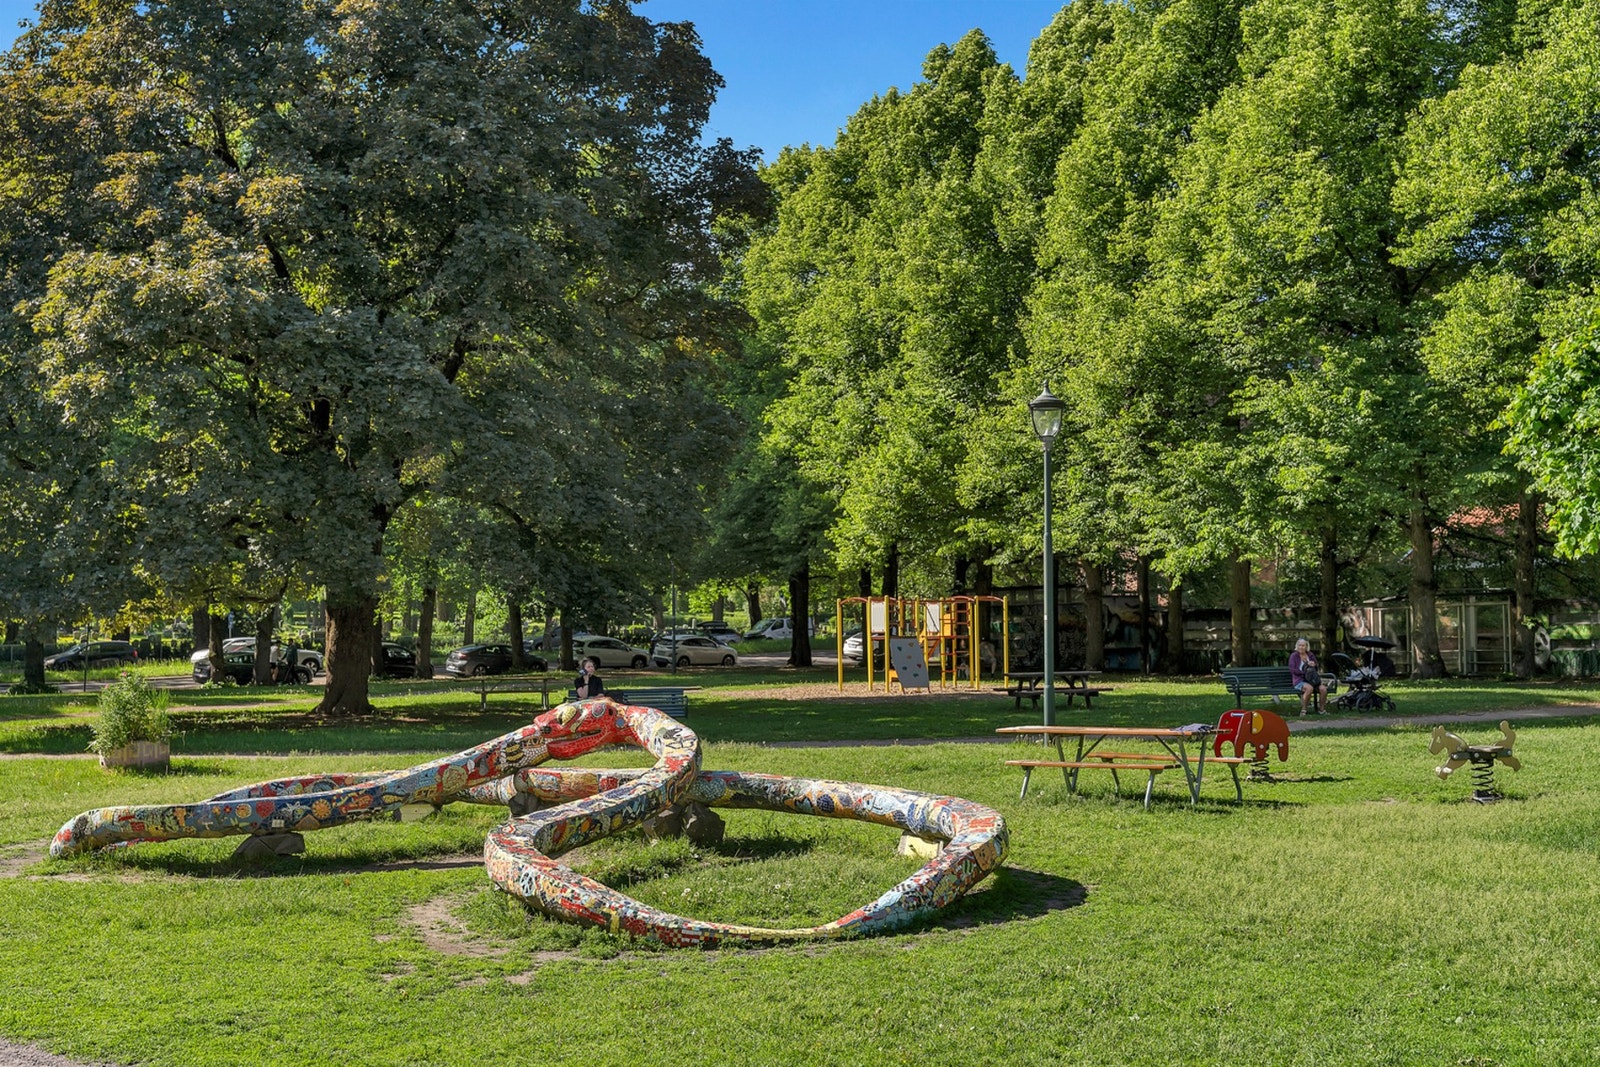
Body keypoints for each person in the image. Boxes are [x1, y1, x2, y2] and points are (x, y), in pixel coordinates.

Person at [1289, 637, 1326, 716]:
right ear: (1297, 646)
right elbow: (1292, 670)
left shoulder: (1310, 654)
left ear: (1306, 646)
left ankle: (1321, 709)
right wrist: (1303, 672)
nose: (1301, 647)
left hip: (1312, 679)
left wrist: (1314, 665)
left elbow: (1316, 667)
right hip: (1299, 680)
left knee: (1323, 689)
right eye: (1299, 645)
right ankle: (1304, 710)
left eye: (1303, 645)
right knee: (1309, 688)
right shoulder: (1294, 656)